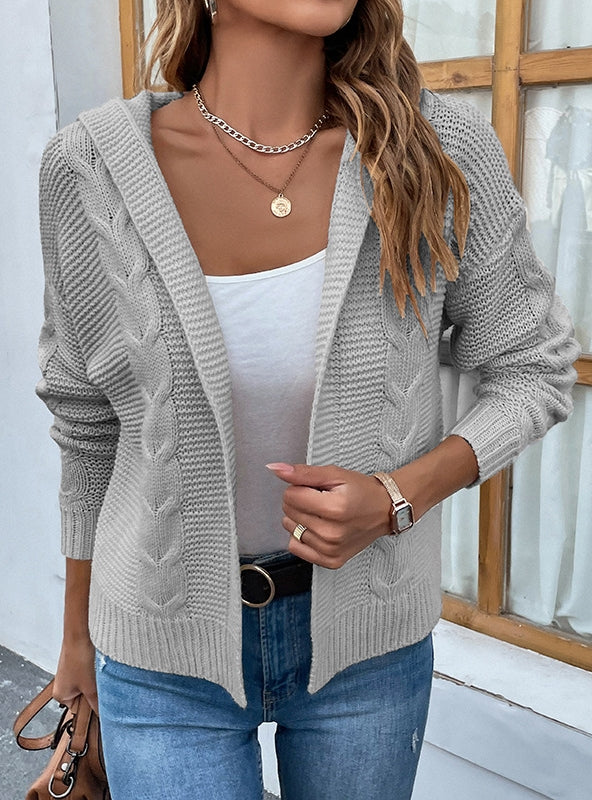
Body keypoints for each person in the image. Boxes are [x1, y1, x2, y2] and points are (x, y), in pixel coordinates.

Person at [36, 0, 580, 798]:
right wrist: (76, 639)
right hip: (159, 651)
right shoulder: (89, 167)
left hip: (368, 646)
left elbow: (533, 367)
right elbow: (87, 426)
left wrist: (398, 496)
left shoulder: (433, 148)